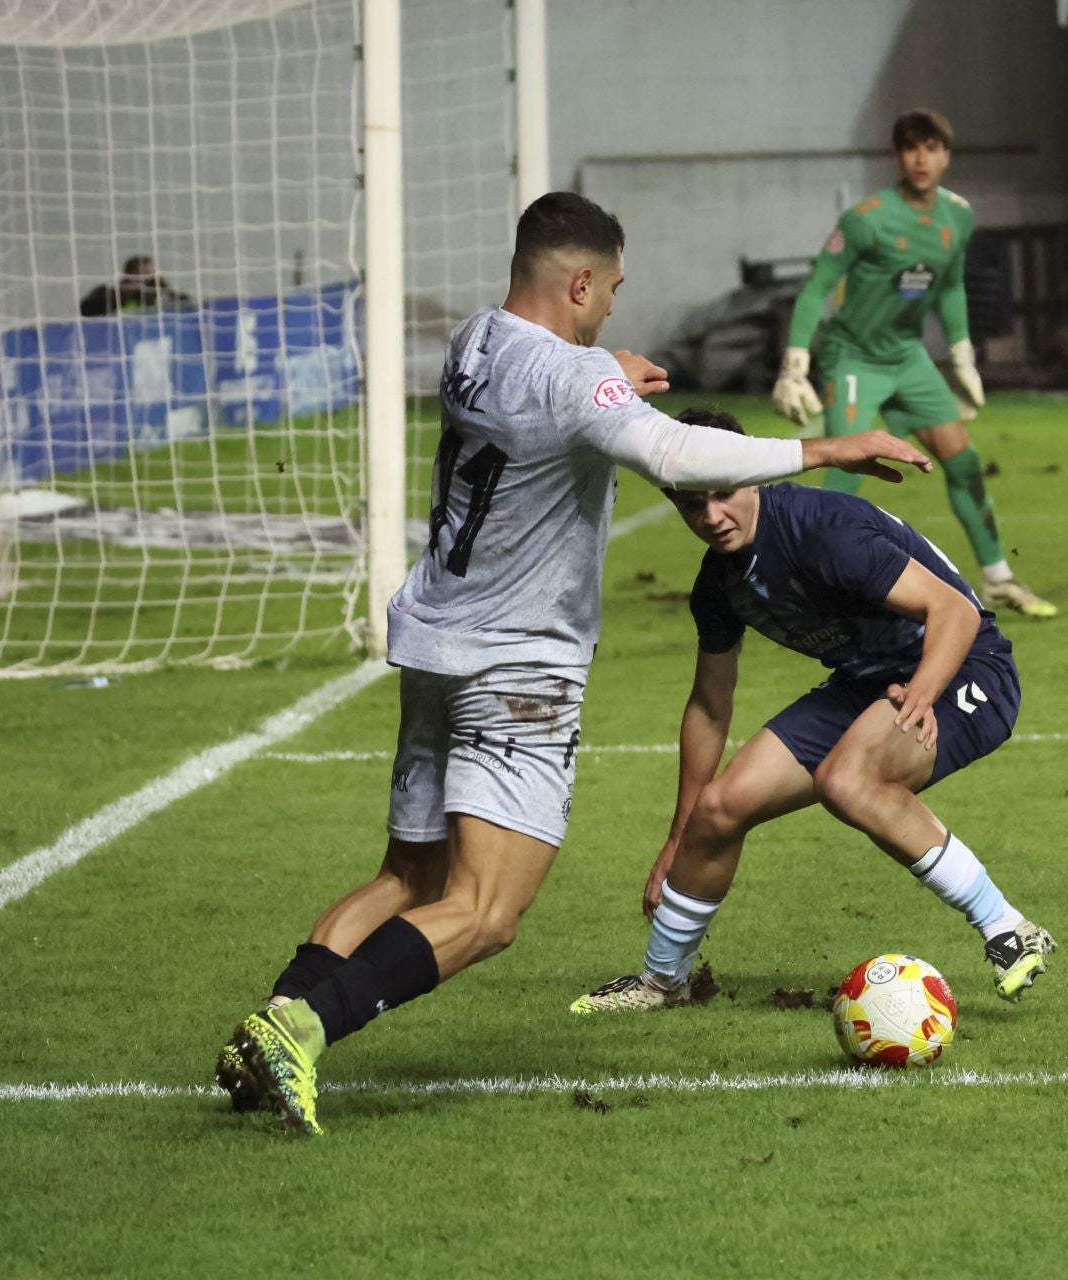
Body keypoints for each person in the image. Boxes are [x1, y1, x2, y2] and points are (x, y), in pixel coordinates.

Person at [215, 193, 933, 1135]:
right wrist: (835, 445)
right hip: (517, 671)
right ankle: (304, 1029)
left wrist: (604, 376)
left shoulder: (476, 341)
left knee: (408, 880)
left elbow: (566, 387)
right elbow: (674, 453)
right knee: (484, 912)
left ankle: (266, 1029)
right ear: (580, 282)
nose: (611, 315)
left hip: (436, 645)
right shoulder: (573, 378)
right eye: (609, 295)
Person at [570, 408, 1055, 1015]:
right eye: (693, 505)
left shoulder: (820, 530)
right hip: (866, 684)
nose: (712, 516)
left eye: (724, 493)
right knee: (719, 809)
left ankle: (1008, 927)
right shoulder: (718, 584)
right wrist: (680, 836)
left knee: (848, 779)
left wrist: (926, 691)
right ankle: (663, 981)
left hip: (963, 666)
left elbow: (954, 612)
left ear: (752, 476)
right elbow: (709, 705)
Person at [772, 108, 1058, 619]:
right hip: (853, 355)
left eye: (931, 147)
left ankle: (997, 578)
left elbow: (949, 286)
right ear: (896, 156)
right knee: (846, 469)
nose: (920, 158)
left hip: (908, 358)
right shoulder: (866, 219)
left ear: (947, 155)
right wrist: (796, 364)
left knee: (964, 462)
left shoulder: (958, 216)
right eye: (910, 148)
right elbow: (817, 284)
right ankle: (811, 586)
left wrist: (964, 357)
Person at [79, 254, 191, 317]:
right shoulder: (107, 293)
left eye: (150, 275)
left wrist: (168, 290)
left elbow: (188, 305)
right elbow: (86, 309)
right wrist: (123, 295)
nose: (145, 280)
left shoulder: (160, 298)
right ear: (127, 275)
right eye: (139, 274)